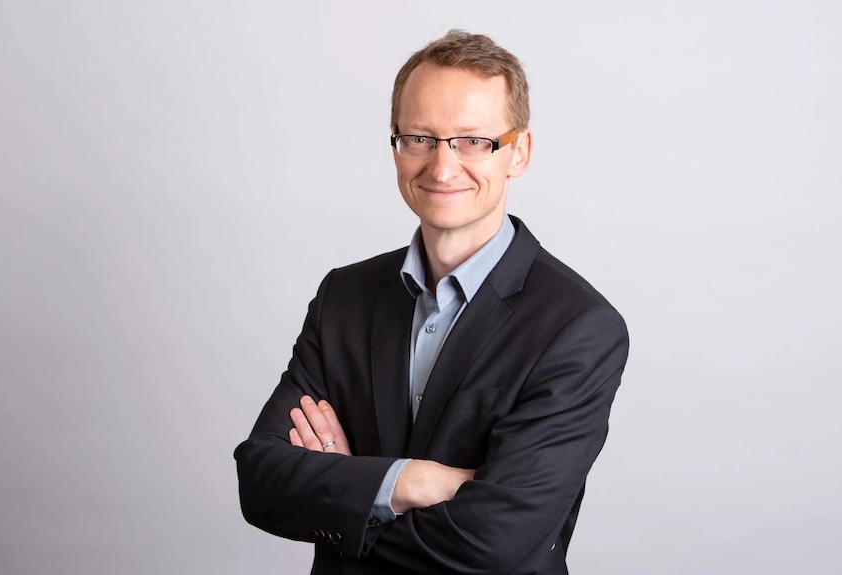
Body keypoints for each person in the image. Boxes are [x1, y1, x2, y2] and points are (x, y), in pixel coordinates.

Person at [234, 29, 629, 575]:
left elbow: (494, 540)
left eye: (474, 141)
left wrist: (354, 492)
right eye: (419, 137)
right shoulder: (343, 297)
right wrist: (412, 481)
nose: (442, 168)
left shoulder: (579, 327)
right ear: (395, 145)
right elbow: (260, 481)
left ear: (519, 153)